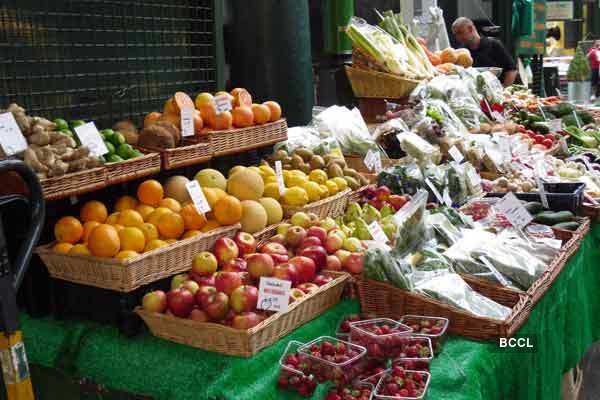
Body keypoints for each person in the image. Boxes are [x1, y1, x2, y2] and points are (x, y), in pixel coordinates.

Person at [451, 17, 517, 86]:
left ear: (470, 29)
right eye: (456, 35)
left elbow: (511, 70)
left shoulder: (494, 44)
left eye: (460, 33)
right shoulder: (461, 52)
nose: (458, 38)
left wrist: (504, 89)